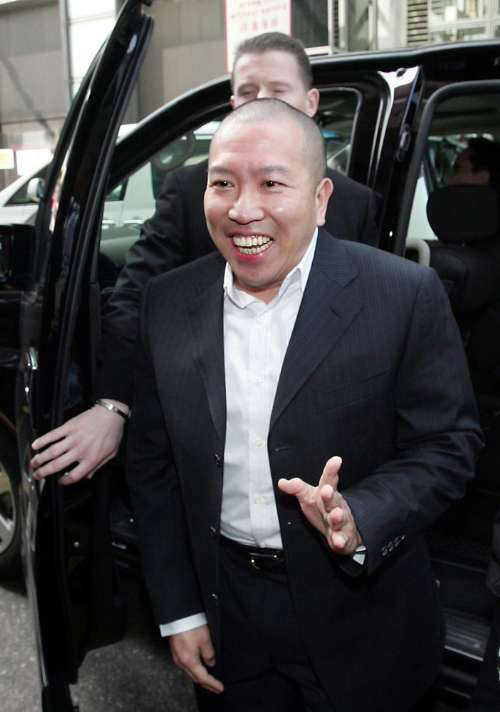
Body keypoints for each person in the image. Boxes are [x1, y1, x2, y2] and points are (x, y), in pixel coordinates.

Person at [126, 98, 482, 712]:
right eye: (222, 183)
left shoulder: (401, 295)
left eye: (271, 184)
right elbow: (152, 468)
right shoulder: (168, 302)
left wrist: (362, 515)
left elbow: (450, 444)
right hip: (228, 614)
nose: (242, 208)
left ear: (320, 200)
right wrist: (180, 611)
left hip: (364, 618)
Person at [30, 32, 378, 484]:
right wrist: (113, 404)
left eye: (278, 90)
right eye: (248, 91)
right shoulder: (189, 190)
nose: (244, 210)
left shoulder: (354, 202)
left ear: (310, 102)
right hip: (211, 428)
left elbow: (370, 320)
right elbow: (136, 295)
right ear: (232, 104)